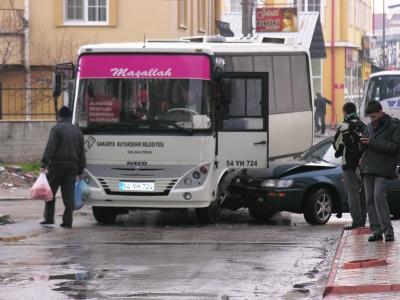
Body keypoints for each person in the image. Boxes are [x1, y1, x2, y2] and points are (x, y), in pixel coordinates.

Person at [360, 100, 400, 242]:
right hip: (367, 167)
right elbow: (365, 147)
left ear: (381, 111)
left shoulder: (394, 126)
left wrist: (371, 142)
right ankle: (376, 231)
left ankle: (388, 232)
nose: (372, 120)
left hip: (383, 168)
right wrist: (360, 143)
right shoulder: (369, 127)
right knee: (370, 199)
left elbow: (394, 147)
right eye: (370, 117)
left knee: (378, 197)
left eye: (374, 117)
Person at [40, 106, 86, 228]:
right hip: (73, 167)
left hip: (57, 165)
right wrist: (81, 169)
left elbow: (51, 147)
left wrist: (44, 163)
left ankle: (49, 218)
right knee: (68, 195)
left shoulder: (57, 129)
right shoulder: (78, 131)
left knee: (50, 192)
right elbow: (82, 152)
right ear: (70, 117)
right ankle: (67, 221)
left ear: (59, 116)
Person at [333, 102, 366, 230]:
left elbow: (336, 145)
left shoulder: (343, 126)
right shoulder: (363, 125)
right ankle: (362, 220)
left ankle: (356, 221)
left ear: (345, 112)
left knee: (352, 193)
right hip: (363, 164)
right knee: (363, 193)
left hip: (349, 164)